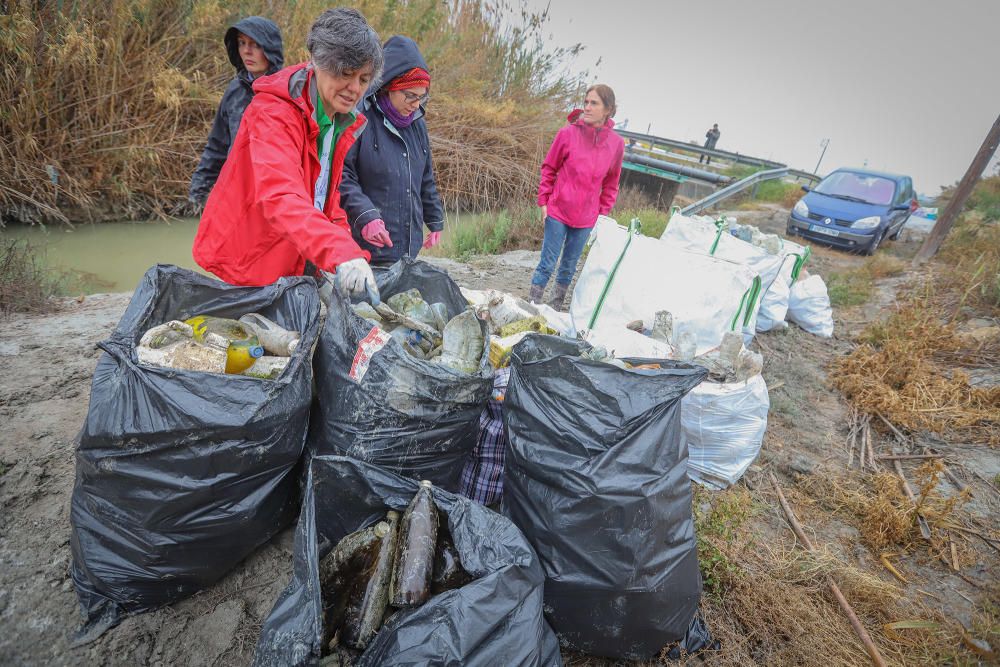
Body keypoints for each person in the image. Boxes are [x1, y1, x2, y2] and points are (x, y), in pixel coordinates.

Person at [192, 8, 384, 299]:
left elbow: (326, 200)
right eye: (345, 74)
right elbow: (282, 196)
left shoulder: (337, 118)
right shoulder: (273, 113)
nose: (354, 88)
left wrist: (345, 252)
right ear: (318, 62)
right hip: (250, 258)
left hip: (292, 254)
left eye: (364, 79)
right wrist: (339, 251)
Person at [339, 35, 444, 264]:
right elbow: (342, 176)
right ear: (389, 87)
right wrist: (366, 216)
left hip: (408, 247)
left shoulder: (417, 123)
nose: (416, 104)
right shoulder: (359, 118)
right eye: (410, 96)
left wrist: (435, 219)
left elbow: (425, 177)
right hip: (366, 248)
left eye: (422, 97)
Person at [530, 84, 624, 310]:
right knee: (547, 263)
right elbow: (549, 168)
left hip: (586, 218)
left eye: (594, 103)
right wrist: (544, 202)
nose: (587, 107)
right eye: (586, 102)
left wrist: (602, 215)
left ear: (608, 109)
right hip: (558, 211)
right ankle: (532, 305)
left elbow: (611, 183)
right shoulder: (567, 133)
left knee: (569, 266)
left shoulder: (616, 144)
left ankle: (554, 308)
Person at [188, 17, 284, 207]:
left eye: (255, 44)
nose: (247, 51)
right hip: (237, 195)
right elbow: (218, 145)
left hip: (278, 196)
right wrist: (198, 190)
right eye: (242, 43)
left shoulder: (288, 92)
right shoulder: (234, 91)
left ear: (270, 48)